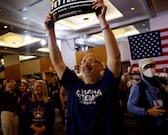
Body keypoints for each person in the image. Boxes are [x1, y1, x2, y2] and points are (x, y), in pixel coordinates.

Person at [44, 0, 122, 134]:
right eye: (83, 62)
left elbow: (115, 57)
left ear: (101, 67)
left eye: (92, 61)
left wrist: (102, 20)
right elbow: (57, 62)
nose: (86, 64)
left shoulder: (107, 84)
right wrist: (50, 31)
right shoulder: (73, 83)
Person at [127, 58, 168, 135]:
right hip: (151, 124)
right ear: (141, 70)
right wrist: (147, 111)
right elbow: (130, 106)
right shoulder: (138, 86)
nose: (150, 69)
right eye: (146, 67)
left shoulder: (161, 81)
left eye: (152, 66)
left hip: (167, 120)